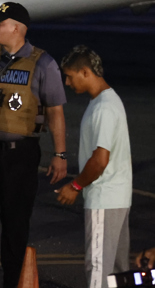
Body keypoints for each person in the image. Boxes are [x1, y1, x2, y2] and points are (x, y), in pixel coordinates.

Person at [0, 2, 68, 288]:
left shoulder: (44, 63)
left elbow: (55, 111)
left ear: (16, 28)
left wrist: (60, 154)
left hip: (21, 155)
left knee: (16, 224)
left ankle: (13, 282)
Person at [56, 46, 132, 288]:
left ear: (85, 72)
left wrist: (75, 185)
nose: (67, 82)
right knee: (119, 274)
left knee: (99, 271)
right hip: (118, 198)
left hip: (104, 199)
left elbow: (100, 160)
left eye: (70, 76)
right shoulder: (106, 101)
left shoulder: (104, 108)